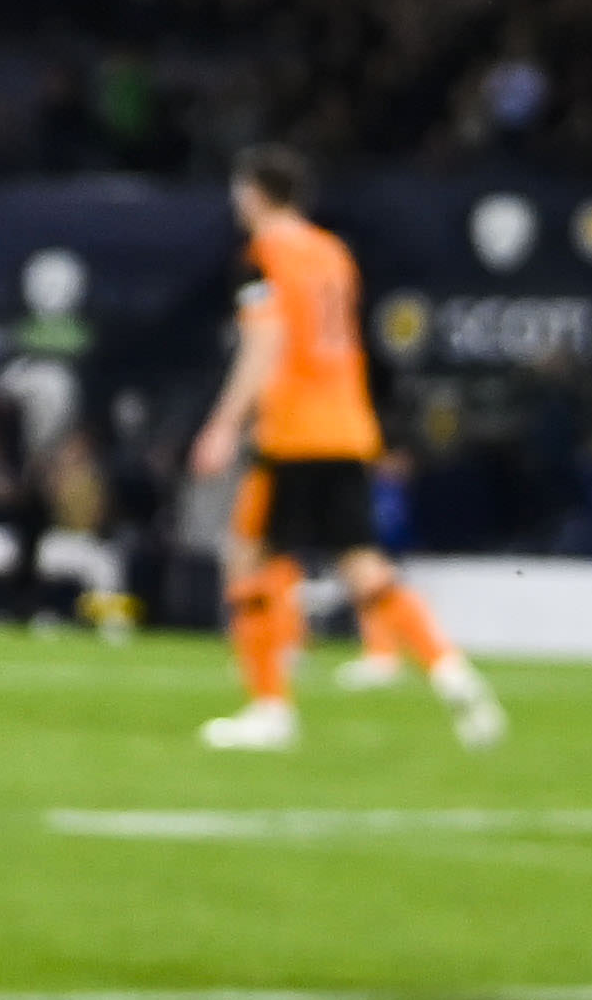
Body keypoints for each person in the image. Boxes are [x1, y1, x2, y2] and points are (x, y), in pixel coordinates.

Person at [187, 150, 498, 754]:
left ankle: (270, 708)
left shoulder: (263, 258)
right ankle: (449, 667)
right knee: (360, 564)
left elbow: (266, 343)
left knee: (247, 556)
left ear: (253, 195)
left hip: (294, 428)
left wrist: (224, 423)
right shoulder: (333, 253)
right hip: (347, 426)